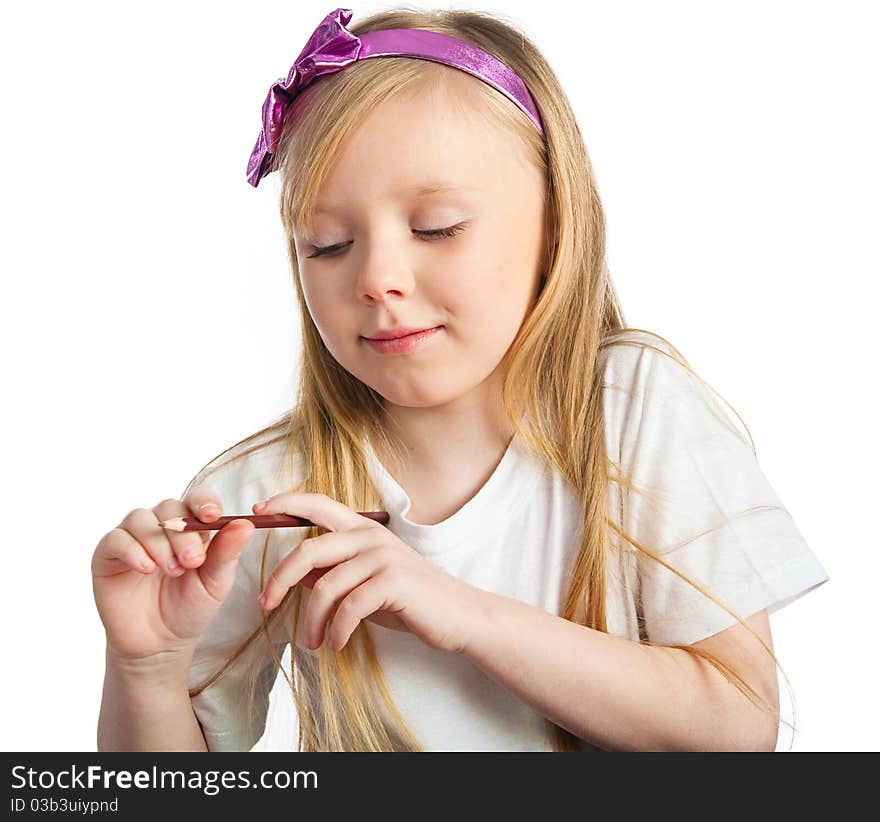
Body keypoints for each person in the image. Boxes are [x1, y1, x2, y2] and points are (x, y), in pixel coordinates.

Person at [93, 7, 829, 752]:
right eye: (328, 244)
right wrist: (146, 666)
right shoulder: (277, 488)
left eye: (438, 227)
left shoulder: (633, 407)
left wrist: (464, 614)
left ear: (556, 225)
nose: (377, 279)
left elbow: (737, 734)